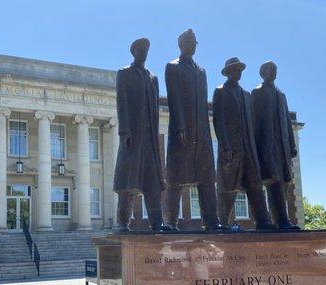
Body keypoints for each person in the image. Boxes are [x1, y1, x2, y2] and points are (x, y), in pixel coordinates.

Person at [164, 29, 226, 231]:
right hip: (182, 131)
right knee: (176, 178)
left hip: (202, 133)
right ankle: (170, 221)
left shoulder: (201, 71)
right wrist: (180, 125)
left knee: (207, 179)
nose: (192, 44)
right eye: (188, 41)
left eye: (194, 42)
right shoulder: (172, 67)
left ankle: (211, 220)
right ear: (180, 43)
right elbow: (173, 98)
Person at [213, 57, 275, 229]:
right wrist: (225, 145)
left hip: (249, 149)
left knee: (255, 185)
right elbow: (218, 121)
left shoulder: (247, 95)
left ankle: (263, 221)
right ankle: (222, 222)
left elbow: (253, 124)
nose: (238, 72)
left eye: (240, 69)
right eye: (234, 69)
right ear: (228, 72)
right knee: (228, 187)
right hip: (231, 149)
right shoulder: (220, 92)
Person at [114, 38, 165, 231]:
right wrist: (124, 131)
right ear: (133, 52)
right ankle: (122, 222)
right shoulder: (125, 73)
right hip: (132, 137)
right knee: (127, 182)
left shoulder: (152, 78)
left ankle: (157, 222)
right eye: (141, 49)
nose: (144, 53)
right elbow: (122, 103)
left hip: (150, 138)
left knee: (152, 182)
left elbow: (156, 109)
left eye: (146, 50)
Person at [251, 61, 300, 230]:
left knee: (285, 182)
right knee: (274, 182)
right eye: (271, 69)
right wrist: (256, 149)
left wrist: (292, 145)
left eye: (276, 69)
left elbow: (287, 121)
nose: (275, 72)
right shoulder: (257, 92)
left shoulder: (281, 94)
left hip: (283, 146)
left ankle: (283, 220)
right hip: (267, 147)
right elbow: (254, 123)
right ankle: (281, 221)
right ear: (263, 72)